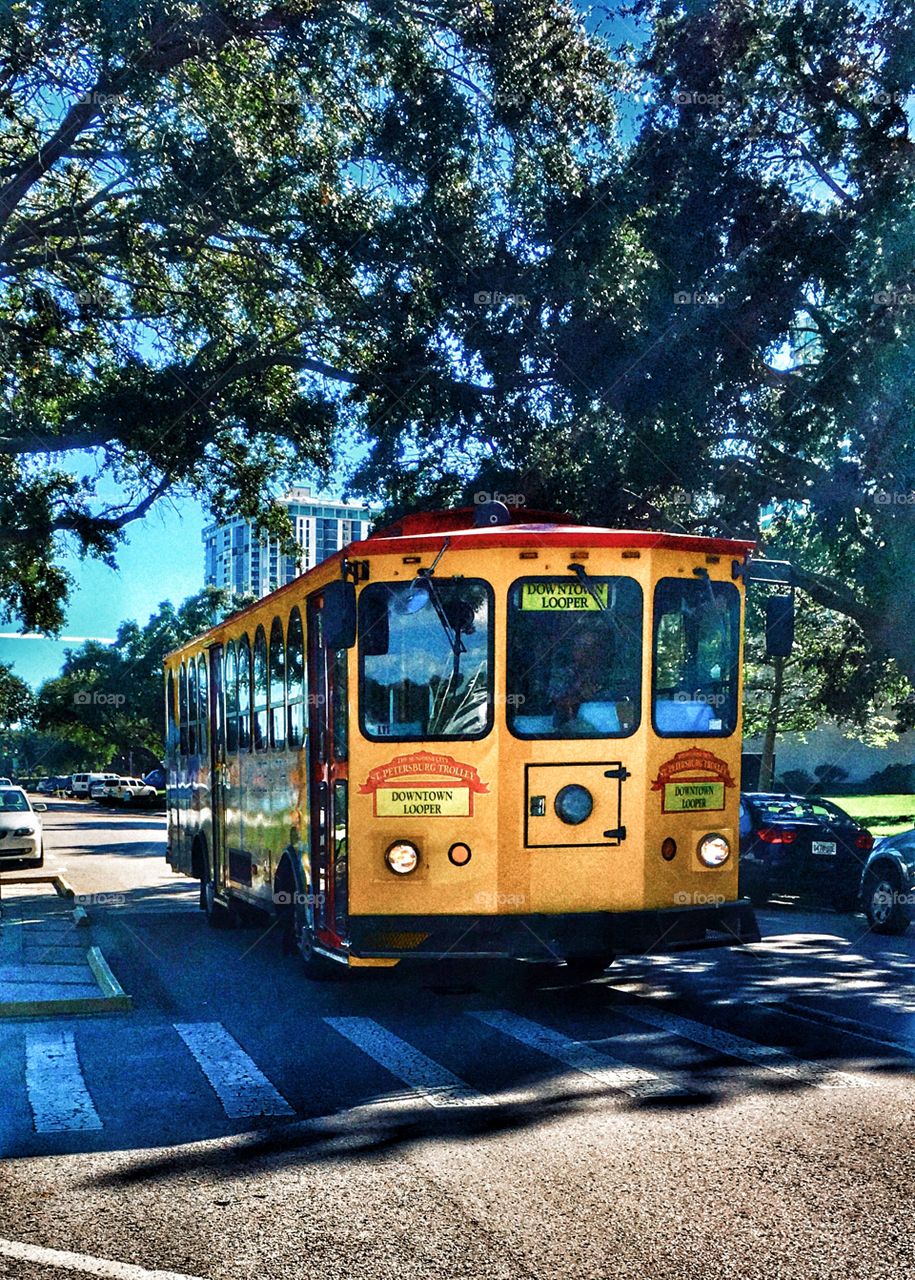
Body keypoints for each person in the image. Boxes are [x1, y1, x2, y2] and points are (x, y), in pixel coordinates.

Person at [548, 628, 634, 733]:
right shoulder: (563, 674)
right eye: (582, 647)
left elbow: (627, 698)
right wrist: (579, 696)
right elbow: (556, 702)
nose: (588, 652)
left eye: (593, 647)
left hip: (614, 730)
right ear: (574, 650)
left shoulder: (613, 673)